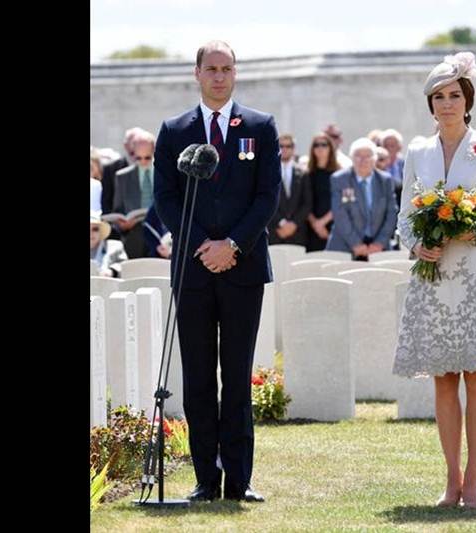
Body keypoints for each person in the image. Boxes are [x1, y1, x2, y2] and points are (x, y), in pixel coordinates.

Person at [153, 39, 280, 503]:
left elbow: (268, 196)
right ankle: (206, 478)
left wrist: (233, 245)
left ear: (235, 73)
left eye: (227, 68)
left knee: (237, 375)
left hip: (243, 269)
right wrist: (204, 246)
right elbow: (165, 199)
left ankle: (239, 481)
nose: (220, 76)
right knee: (200, 379)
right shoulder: (173, 130)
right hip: (194, 269)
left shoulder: (260, 127)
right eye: (212, 68)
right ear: (197, 73)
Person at [392, 52, 476, 510]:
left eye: (454, 95)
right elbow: (405, 214)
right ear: (431, 104)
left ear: (467, 100)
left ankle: (475, 479)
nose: (447, 103)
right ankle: (451, 480)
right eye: (439, 96)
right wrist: (415, 244)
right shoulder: (417, 151)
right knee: (443, 380)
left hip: (475, 274)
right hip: (433, 274)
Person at [326, 137, 397, 260]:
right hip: (345, 247)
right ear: (351, 158)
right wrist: (356, 244)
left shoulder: (385, 180)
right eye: (358, 155)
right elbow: (340, 214)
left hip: (379, 249)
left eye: (367, 156)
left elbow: (392, 213)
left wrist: (379, 243)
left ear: (374, 159)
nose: (362, 160)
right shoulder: (340, 179)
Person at [113, 130, 157, 258]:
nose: (143, 161)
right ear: (132, 154)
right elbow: (118, 209)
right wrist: (122, 224)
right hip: (134, 238)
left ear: (154, 152)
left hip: (162, 236)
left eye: (147, 157)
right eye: (138, 158)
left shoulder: (165, 173)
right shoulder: (122, 176)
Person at [267, 133, 313, 246]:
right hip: (275, 232)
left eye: (288, 146)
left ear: (294, 148)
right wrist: (281, 223)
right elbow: (266, 200)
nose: (284, 149)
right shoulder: (267, 172)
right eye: (281, 146)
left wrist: (293, 224)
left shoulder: (303, 173)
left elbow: (307, 203)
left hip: (298, 233)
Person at [305, 132, 341, 251]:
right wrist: (316, 224)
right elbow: (304, 201)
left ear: (330, 148)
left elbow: (341, 201)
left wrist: (323, 222)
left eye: (324, 144)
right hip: (311, 228)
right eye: (316, 145)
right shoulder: (306, 174)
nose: (320, 148)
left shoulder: (339, 174)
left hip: (333, 226)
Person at [90, 211, 127, 277]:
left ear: (100, 231)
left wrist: (112, 271)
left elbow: (125, 266)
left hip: (109, 285)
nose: (91, 233)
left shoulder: (115, 246)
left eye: (95, 229)